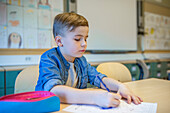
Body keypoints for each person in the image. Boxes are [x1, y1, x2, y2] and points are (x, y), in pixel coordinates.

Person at [35, 12, 143, 108]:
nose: (84, 43)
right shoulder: (49, 58)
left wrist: (121, 86)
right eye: (77, 39)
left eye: (86, 38)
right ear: (59, 41)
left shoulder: (81, 61)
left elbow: (99, 79)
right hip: (48, 108)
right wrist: (94, 97)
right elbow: (54, 91)